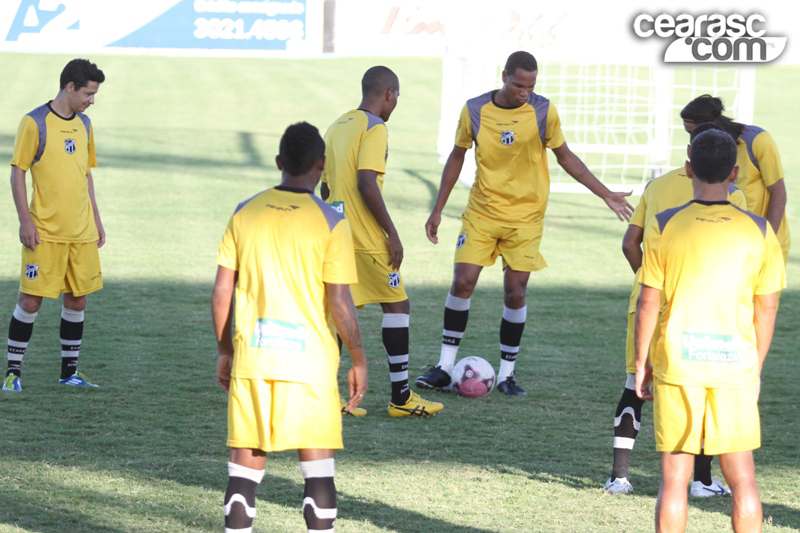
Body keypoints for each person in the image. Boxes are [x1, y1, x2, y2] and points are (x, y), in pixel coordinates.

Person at [416, 50, 633, 396]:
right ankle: (443, 367)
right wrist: (437, 208)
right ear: (504, 76)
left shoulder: (543, 110)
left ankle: (506, 375)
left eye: (530, 85)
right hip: (482, 214)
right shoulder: (474, 110)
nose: (525, 92)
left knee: (515, 292)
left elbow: (566, 157)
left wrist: (604, 193)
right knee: (462, 283)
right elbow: (457, 156)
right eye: (519, 85)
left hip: (526, 219)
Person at [212, 122, 368, 533]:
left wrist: (226, 350)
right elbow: (339, 301)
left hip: (255, 358)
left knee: (244, 472)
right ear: (321, 164)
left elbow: (221, 292)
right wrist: (358, 358)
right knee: (318, 473)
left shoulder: (244, 211)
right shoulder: (332, 221)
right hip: (311, 365)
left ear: (279, 162)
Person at [634, 129, 784, 532]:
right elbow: (767, 306)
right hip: (734, 366)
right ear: (734, 173)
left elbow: (648, 302)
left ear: (688, 166)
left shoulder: (665, 225)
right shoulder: (760, 230)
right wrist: (755, 368)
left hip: (680, 365)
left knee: (674, 481)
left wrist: (640, 364)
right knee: (744, 481)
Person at [605, 123, 747, 495]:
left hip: (648, 302)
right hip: (703, 308)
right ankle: (700, 481)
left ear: (689, 160)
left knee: (634, 384)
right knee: (702, 389)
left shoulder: (657, 187)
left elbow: (629, 244)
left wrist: (649, 280)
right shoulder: (738, 198)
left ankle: (619, 477)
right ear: (732, 165)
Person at [320, 66, 443, 417]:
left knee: (337, 312)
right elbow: (366, 182)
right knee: (397, 306)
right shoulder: (376, 127)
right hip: (366, 238)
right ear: (388, 93)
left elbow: (325, 186)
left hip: (335, 233)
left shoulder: (338, 124)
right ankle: (401, 398)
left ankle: (329, 400)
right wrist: (392, 234)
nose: (395, 104)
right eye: (397, 97)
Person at [3, 58, 106, 392]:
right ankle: (12, 373)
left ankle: (69, 374)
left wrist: (97, 219)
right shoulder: (34, 122)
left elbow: (84, 174)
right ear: (70, 87)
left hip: (81, 231)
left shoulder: (85, 124)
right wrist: (24, 221)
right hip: (44, 232)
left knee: (77, 300)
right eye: (89, 93)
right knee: (31, 300)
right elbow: (18, 171)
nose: (92, 100)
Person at [681, 94, 789, 263]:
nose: (692, 139)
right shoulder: (704, 148)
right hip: (727, 244)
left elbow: (779, 193)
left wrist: (767, 240)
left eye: (693, 132)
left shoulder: (757, 141)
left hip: (763, 241)